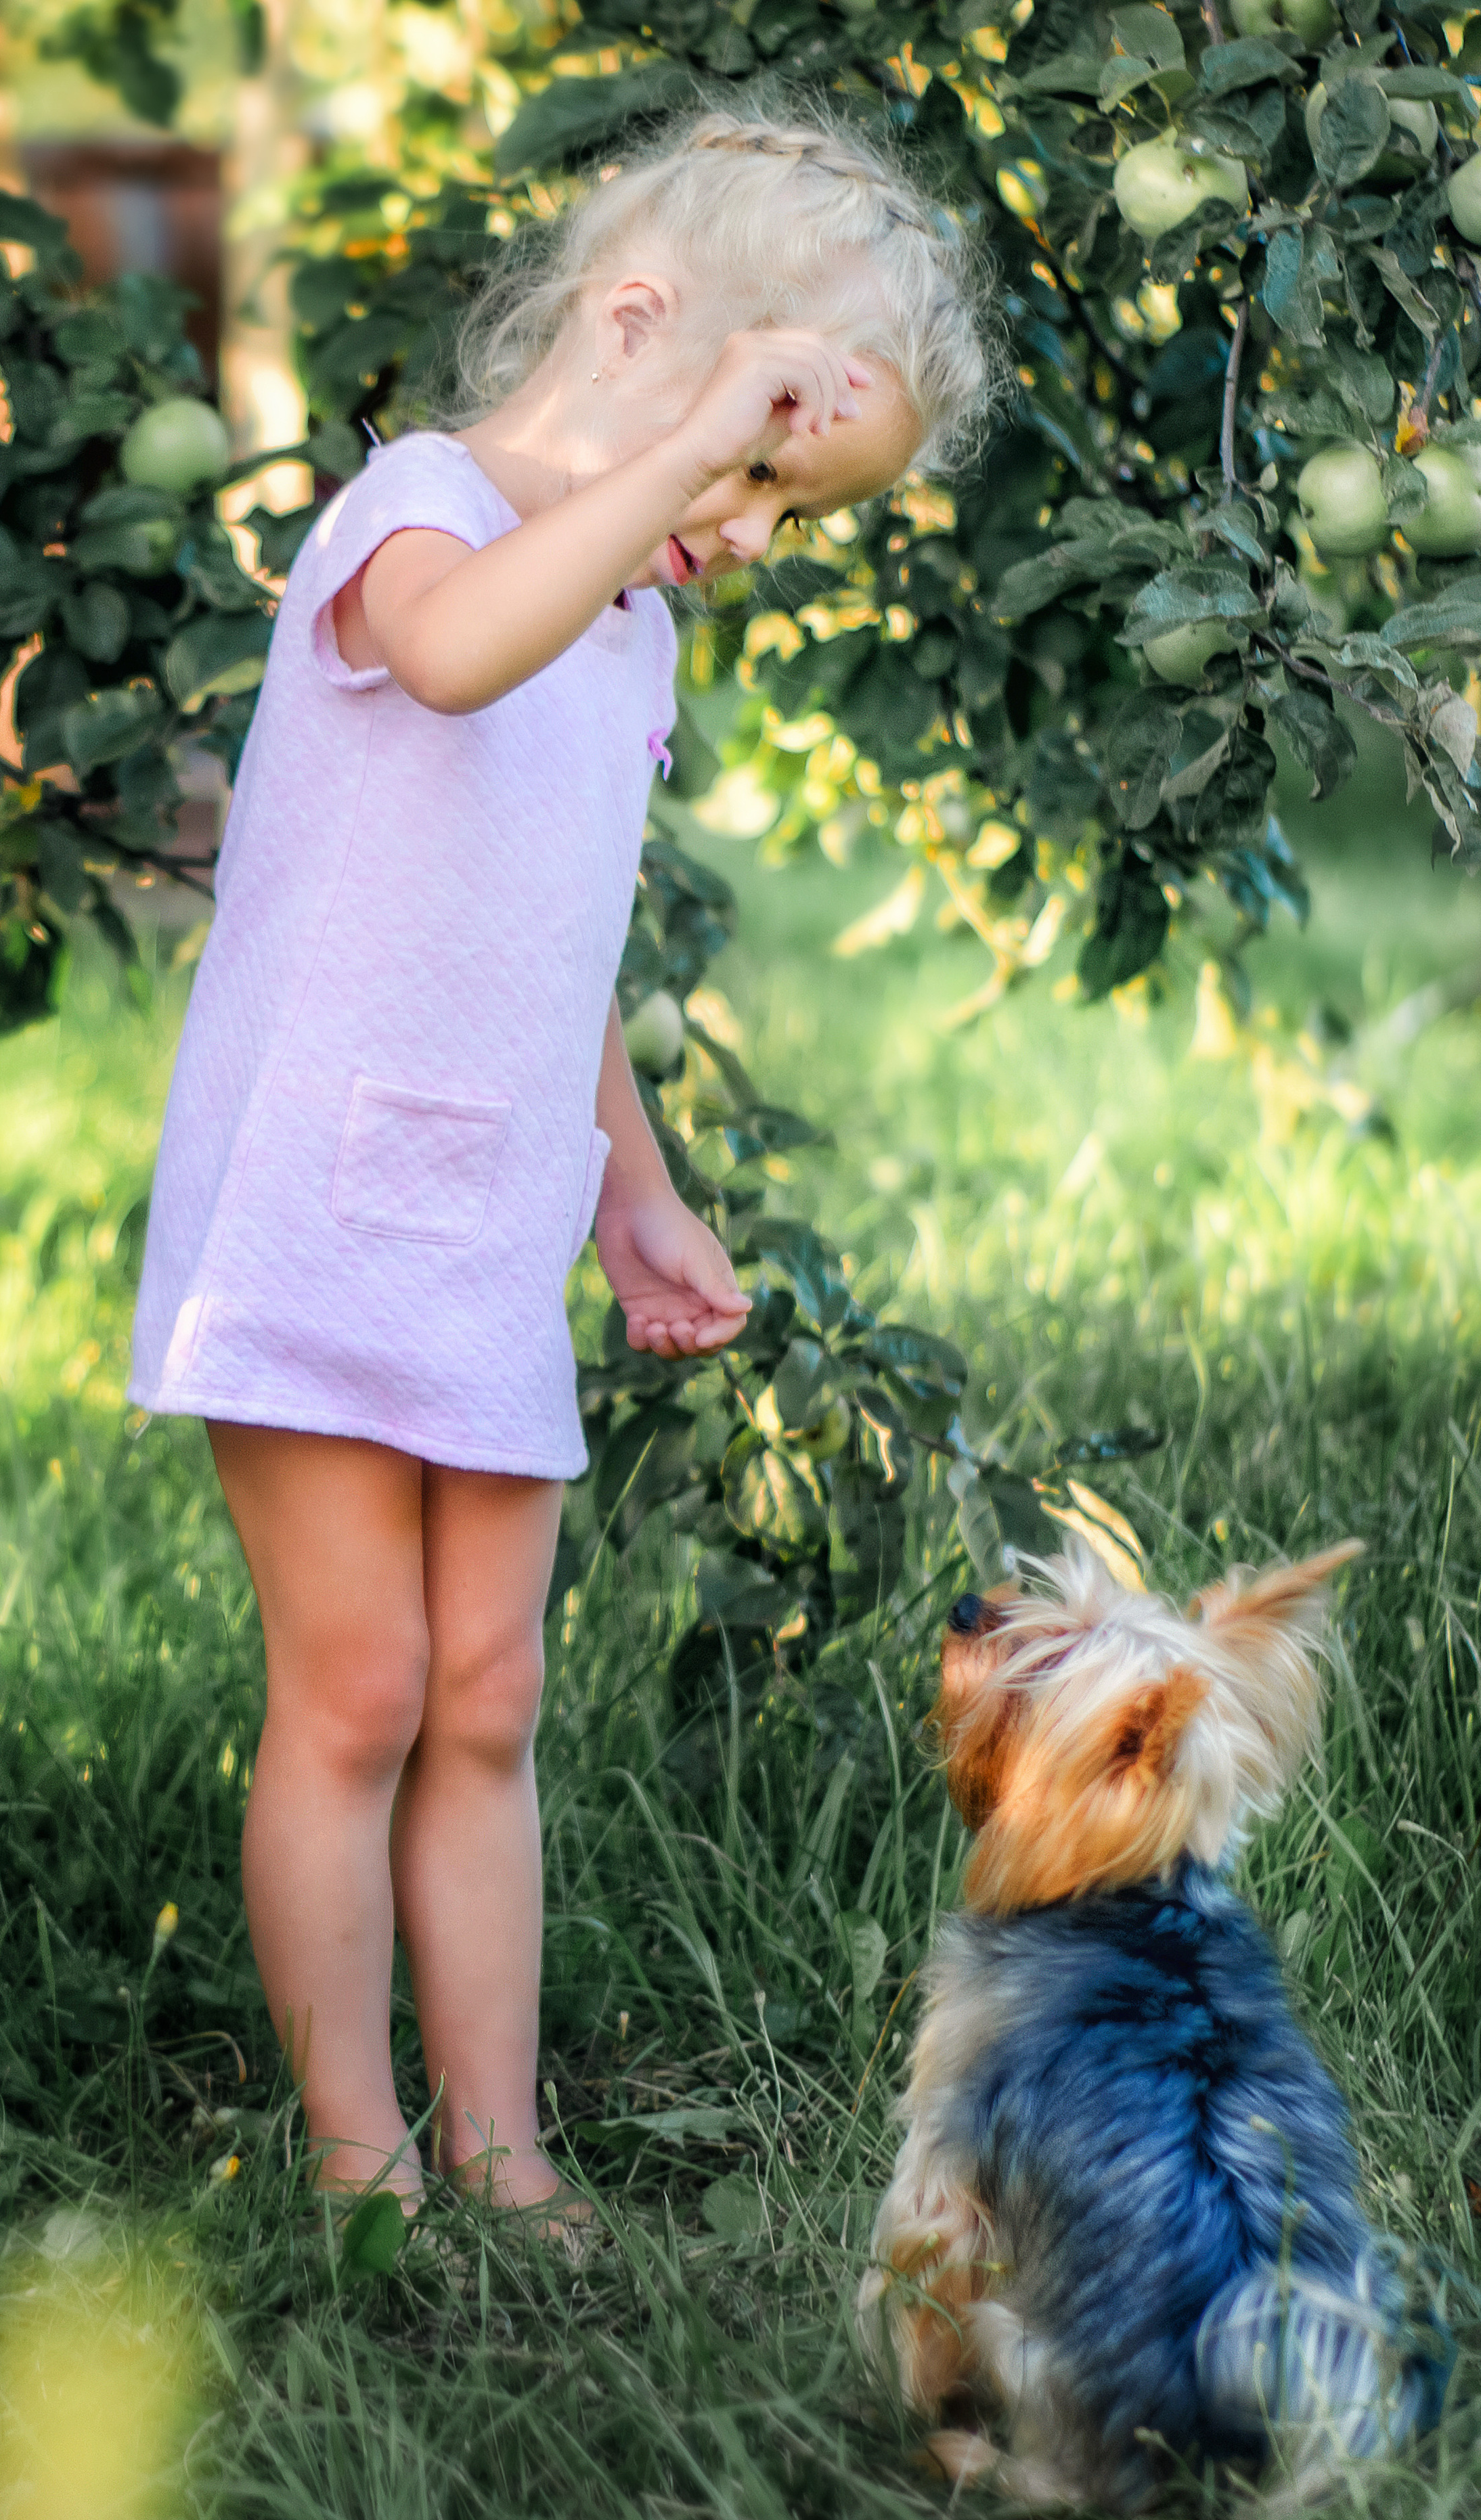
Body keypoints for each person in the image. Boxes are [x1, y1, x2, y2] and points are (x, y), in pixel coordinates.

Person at [127, 104, 993, 2222]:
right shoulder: (422, 516)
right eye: (764, 472)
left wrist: (639, 1181)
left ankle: (502, 2144)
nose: (758, 527)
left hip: (492, 1211)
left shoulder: (632, 626)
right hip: (320, 1199)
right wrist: (685, 449)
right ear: (643, 330)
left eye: (794, 500)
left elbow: (553, 925)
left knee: (491, 1693)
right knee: (360, 1683)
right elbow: (448, 654)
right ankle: (359, 2157)